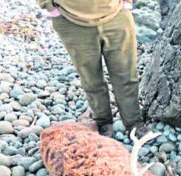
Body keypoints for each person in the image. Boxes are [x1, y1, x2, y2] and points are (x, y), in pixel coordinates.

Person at [37, 0, 147, 137]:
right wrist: (49, 7)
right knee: (90, 77)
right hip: (71, 21)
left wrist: (128, 3)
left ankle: (134, 123)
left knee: (125, 74)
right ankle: (103, 122)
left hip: (117, 16)